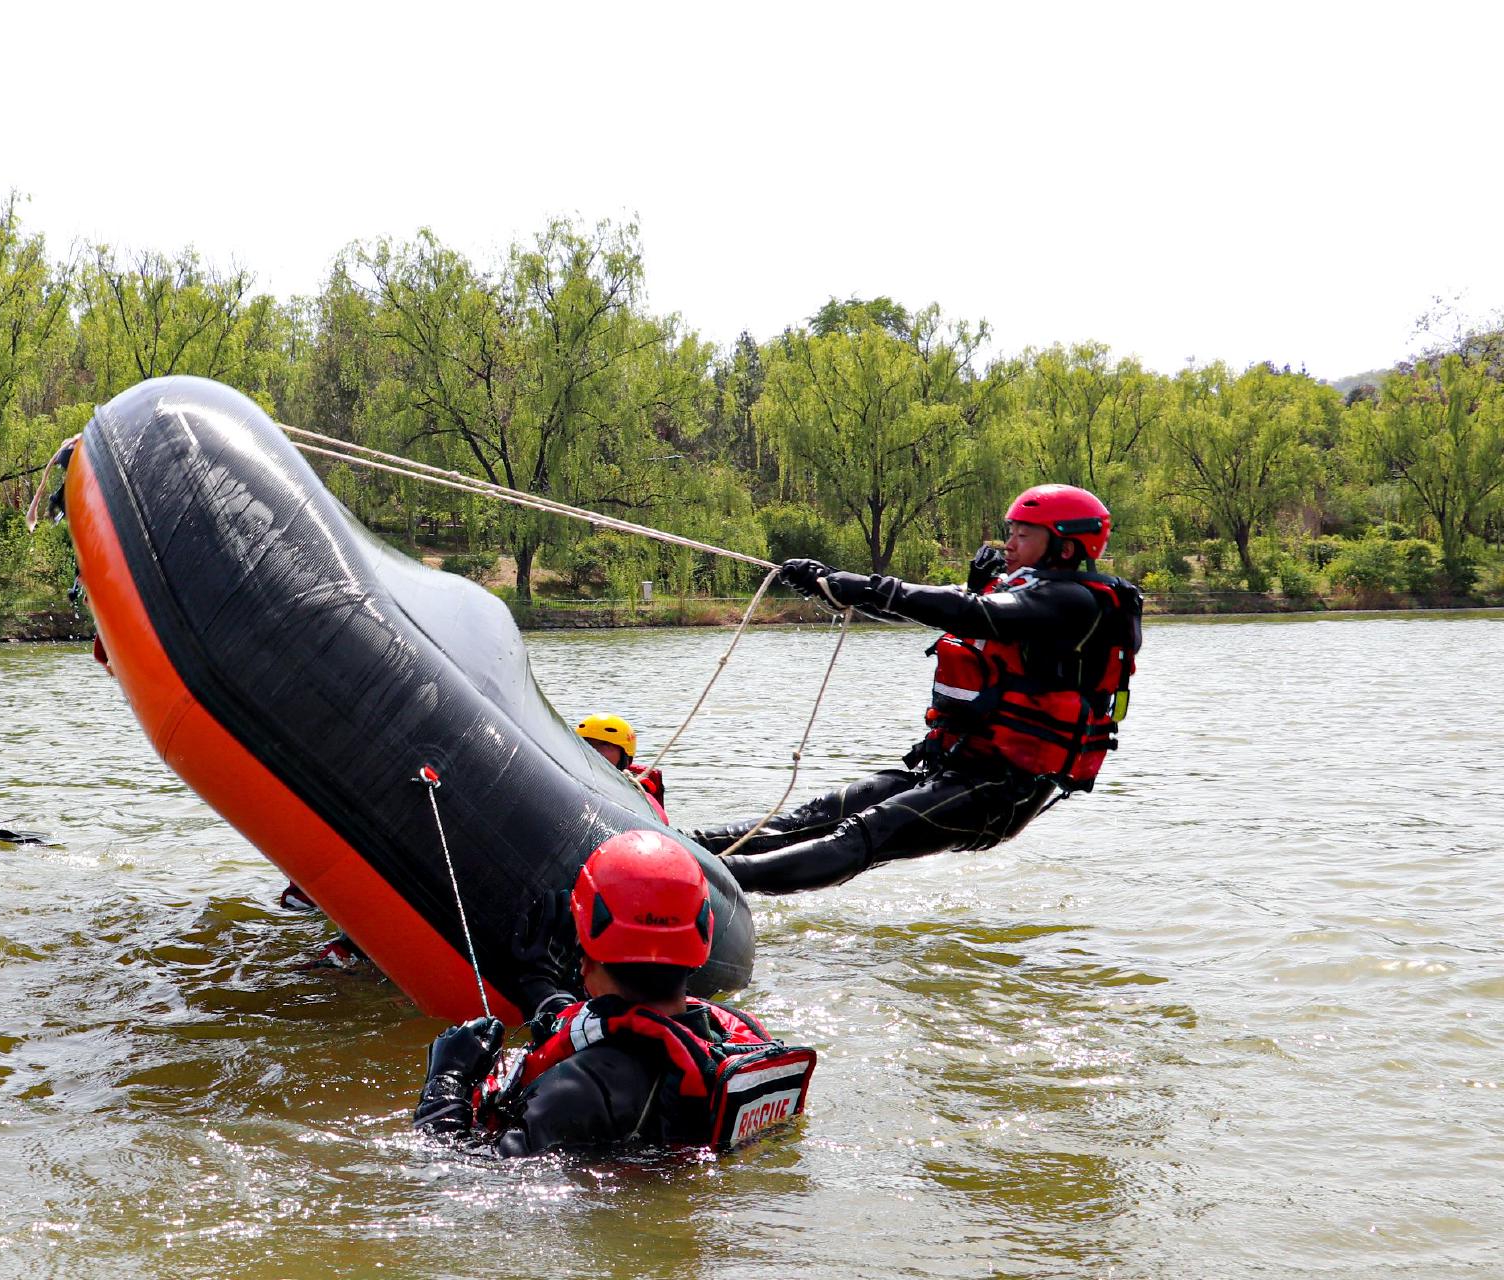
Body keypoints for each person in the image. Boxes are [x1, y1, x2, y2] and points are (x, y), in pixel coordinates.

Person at [693, 483, 1141, 894]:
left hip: (1002, 790)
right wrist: (831, 583)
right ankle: (683, 846)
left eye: (1024, 535)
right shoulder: (1015, 593)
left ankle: (695, 883)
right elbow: (928, 609)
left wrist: (860, 586)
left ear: (1065, 547)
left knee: (858, 836)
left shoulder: (1077, 603)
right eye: (1011, 532)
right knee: (807, 819)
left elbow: (974, 613)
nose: (1009, 544)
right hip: (948, 770)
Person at [413, 829, 816, 1157]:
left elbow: (453, 1176)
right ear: (703, 937)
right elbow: (614, 1032)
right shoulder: (728, 1033)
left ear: (585, 951)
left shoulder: (579, 1090)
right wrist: (539, 983)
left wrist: (447, 1082)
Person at [575, 712, 669, 822]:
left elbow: (662, 822)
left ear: (624, 755)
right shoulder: (570, 779)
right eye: (587, 743)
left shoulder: (637, 792)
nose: (592, 750)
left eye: (604, 744)